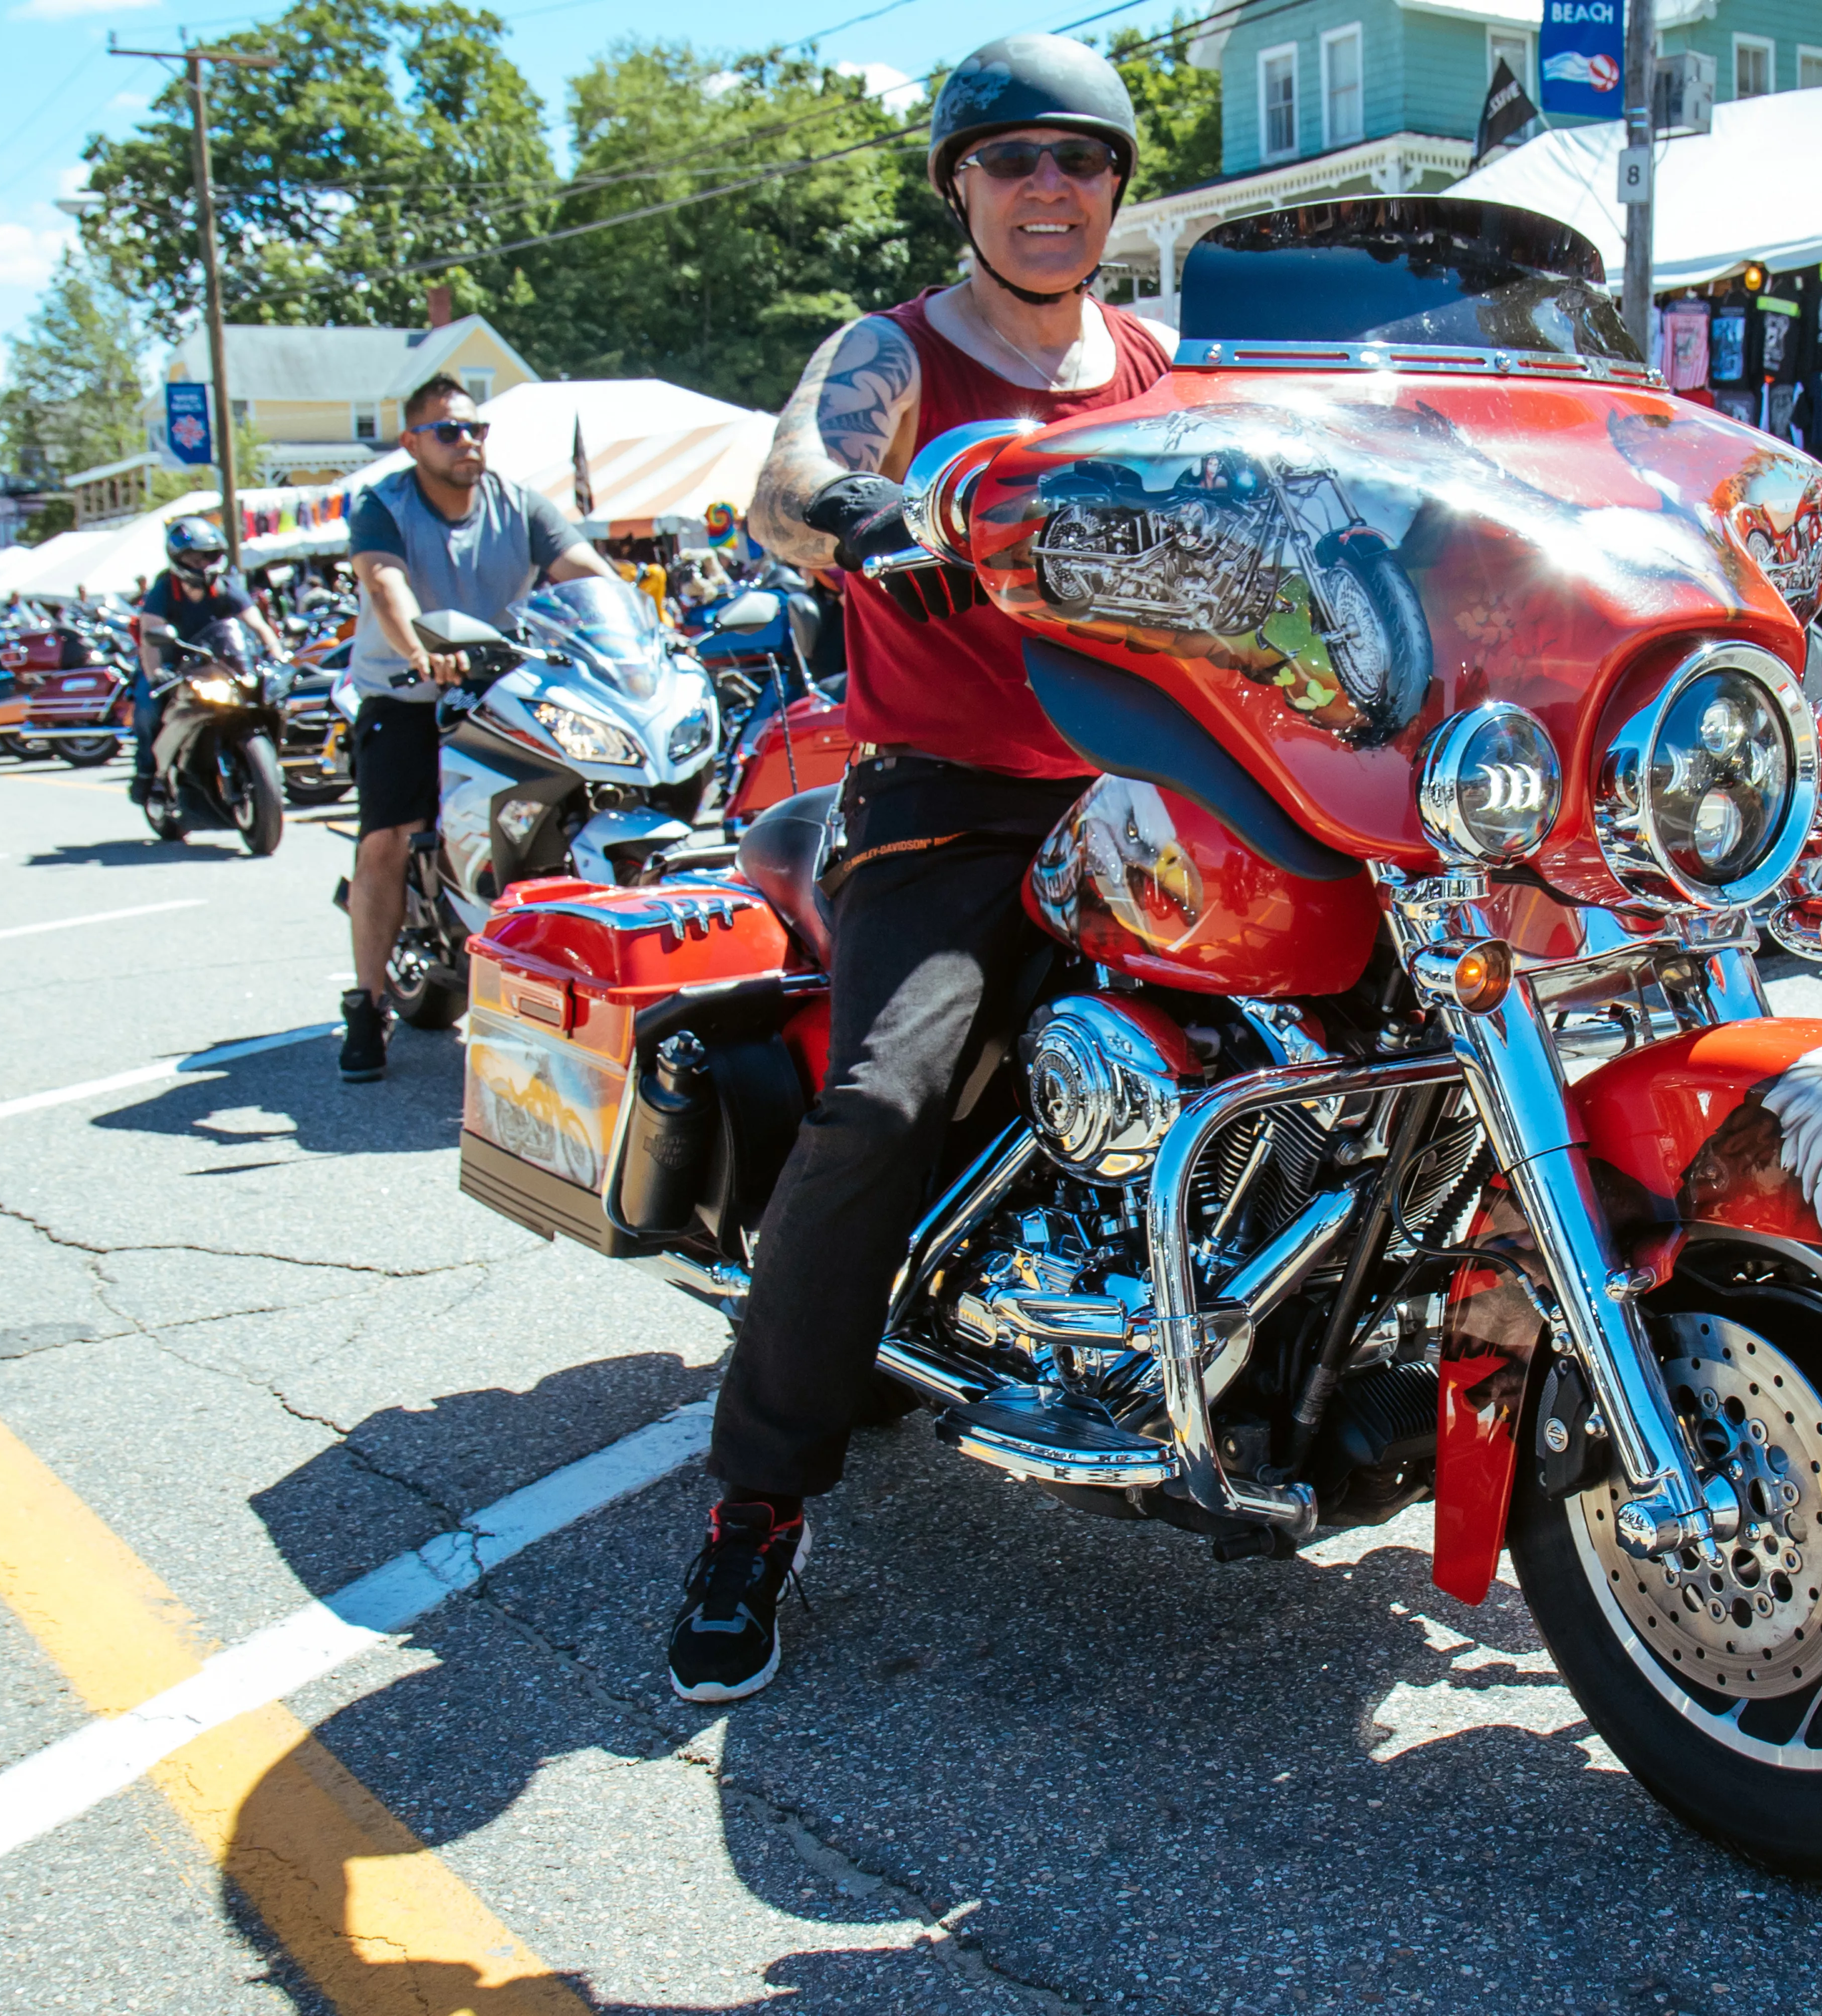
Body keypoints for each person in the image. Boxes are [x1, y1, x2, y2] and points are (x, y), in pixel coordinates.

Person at [670, 31, 1173, 1705]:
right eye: (1015, 160)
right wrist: (876, 515)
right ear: (960, 184)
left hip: (1162, 791)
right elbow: (791, 481)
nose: (1050, 189)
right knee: (881, 1100)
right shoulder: (895, 354)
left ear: (1116, 189)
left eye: (1081, 161)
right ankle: (759, 1498)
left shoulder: (1158, 370)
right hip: (952, 804)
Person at [337, 373, 609, 1082]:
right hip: (407, 691)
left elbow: (584, 569)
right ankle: (368, 1005)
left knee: (569, 806)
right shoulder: (384, 504)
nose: (468, 442)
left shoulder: (517, 504)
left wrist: (637, 624)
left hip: (505, 689)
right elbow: (384, 584)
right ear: (411, 442)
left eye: (476, 428)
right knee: (388, 838)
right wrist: (419, 652)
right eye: (449, 431)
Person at [131, 517, 286, 805]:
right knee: (147, 708)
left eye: (207, 555)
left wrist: (278, 655)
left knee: (272, 698)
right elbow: (149, 636)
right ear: (178, 559)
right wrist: (155, 674)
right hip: (175, 669)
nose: (202, 563)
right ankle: (148, 775)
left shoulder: (227, 587)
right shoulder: (164, 590)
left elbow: (258, 625)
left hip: (222, 666)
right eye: (193, 556)